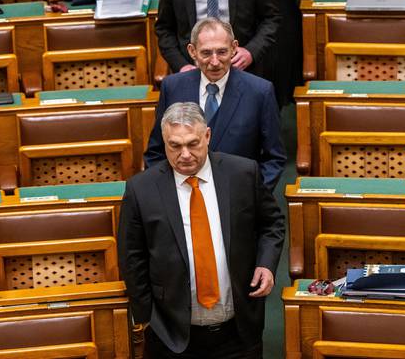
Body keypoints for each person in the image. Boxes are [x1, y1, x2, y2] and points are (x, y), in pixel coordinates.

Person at [119, 102, 285, 358]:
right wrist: (147, 315)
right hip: (171, 335)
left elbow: (271, 223)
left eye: (193, 143)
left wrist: (266, 263)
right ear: (163, 141)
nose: (185, 154)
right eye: (175, 145)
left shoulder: (242, 173)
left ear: (207, 135)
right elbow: (132, 256)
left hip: (239, 331)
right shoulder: (141, 189)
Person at [145, 18, 286, 189]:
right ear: (192, 51)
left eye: (222, 52)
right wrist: (170, 194)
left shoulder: (260, 92)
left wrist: (252, 196)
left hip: (238, 198)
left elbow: (274, 158)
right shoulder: (173, 87)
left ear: (234, 48)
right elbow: (155, 152)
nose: (214, 62)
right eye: (206, 53)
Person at [154, 0, 280, 75]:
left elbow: (271, 18)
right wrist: (181, 65)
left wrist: (251, 51)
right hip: (193, 72)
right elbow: (164, 29)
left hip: (242, 71)